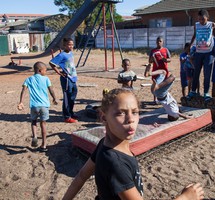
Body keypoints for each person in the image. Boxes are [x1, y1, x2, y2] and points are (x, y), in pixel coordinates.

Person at [62, 88, 204, 200]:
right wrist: (185, 197)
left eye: (135, 112)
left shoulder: (104, 145)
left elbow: (81, 176)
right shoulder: (115, 163)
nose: (130, 119)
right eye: (121, 113)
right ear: (104, 118)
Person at [17, 61, 58, 152]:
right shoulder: (46, 79)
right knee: (43, 124)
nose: (45, 72)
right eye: (45, 70)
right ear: (40, 70)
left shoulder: (28, 79)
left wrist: (21, 102)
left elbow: (23, 90)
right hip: (44, 105)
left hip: (34, 106)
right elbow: (51, 90)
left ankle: (35, 136)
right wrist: (54, 98)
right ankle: (44, 145)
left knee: (33, 121)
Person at [187, 9, 215, 99]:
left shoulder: (211, 25)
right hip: (198, 52)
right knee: (196, 73)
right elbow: (194, 35)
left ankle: (206, 93)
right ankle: (193, 91)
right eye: (199, 19)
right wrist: (190, 45)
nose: (201, 21)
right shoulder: (196, 25)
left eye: (203, 19)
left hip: (209, 53)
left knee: (207, 74)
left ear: (207, 18)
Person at [49, 38, 78, 123]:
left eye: (72, 44)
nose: (71, 46)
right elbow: (52, 63)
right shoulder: (62, 55)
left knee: (73, 97)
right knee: (67, 98)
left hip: (73, 78)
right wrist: (59, 72)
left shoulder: (71, 53)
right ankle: (67, 116)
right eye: (69, 44)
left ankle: (71, 112)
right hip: (67, 79)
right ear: (64, 45)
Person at [147, 36, 171, 102]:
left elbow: (170, 59)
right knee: (155, 83)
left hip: (164, 70)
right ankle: (155, 99)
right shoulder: (153, 51)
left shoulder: (165, 50)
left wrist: (166, 60)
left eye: (160, 41)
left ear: (163, 42)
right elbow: (150, 61)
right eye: (157, 41)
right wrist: (152, 59)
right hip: (155, 70)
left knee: (164, 84)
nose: (158, 42)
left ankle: (162, 98)